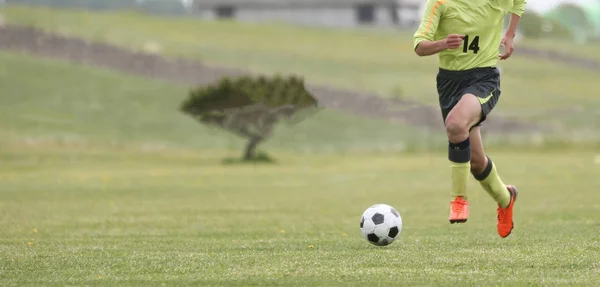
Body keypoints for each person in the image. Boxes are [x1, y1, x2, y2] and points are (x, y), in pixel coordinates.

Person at [413, 0, 526, 238]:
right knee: (475, 162)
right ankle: (507, 199)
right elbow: (420, 46)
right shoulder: (440, 3)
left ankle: (459, 200)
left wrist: (510, 34)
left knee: (455, 123)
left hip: (484, 78)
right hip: (448, 83)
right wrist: (443, 43)